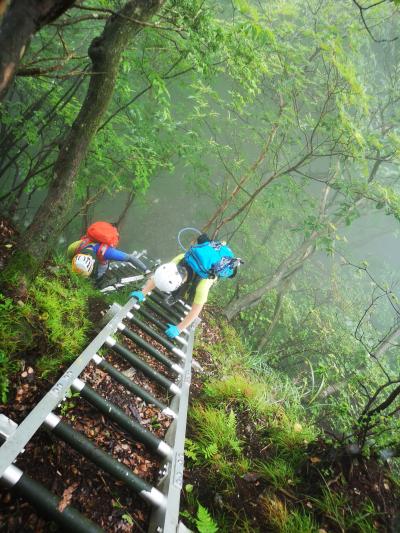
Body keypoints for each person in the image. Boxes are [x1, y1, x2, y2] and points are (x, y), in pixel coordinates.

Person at [130, 234, 242, 339]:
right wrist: (142, 292)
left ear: (180, 283)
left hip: (215, 265)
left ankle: (227, 255)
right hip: (203, 258)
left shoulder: (203, 285)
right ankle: (220, 247)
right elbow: (160, 275)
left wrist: (179, 328)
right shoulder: (179, 260)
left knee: (195, 292)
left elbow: (196, 310)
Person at [67, 221, 149, 283]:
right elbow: (130, 258)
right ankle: (95, 284)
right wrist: (146, 270)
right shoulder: (106, 251)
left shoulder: (84, 241)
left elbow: (70, 250)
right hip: (94, 278)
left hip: (73, 266)